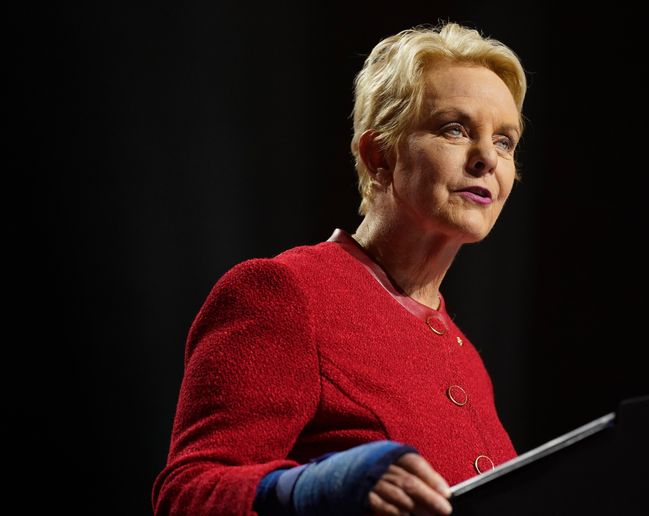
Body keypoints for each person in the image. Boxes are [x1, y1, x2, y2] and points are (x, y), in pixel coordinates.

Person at [152, 21, 527, 516]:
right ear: (379, 156)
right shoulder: (286, 292)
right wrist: (313, 488)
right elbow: (186, 494)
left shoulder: (469, 359)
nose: (487, 159)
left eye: (504, 141)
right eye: (454, 128)